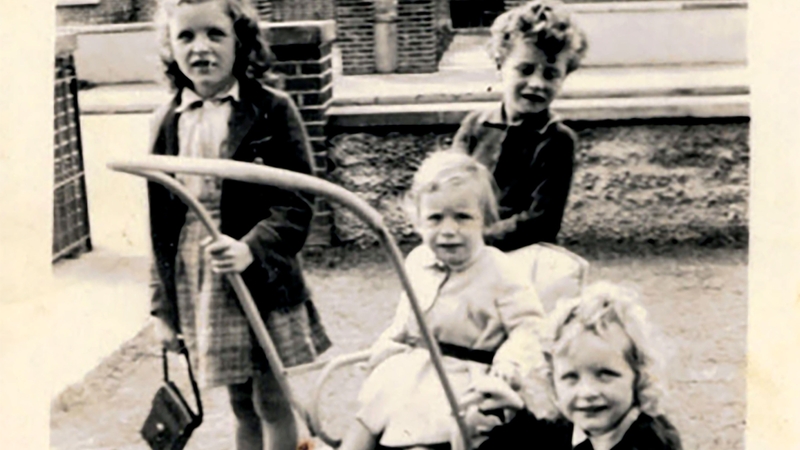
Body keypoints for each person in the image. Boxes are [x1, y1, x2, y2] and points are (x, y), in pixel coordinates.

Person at [147, 1, 331, 449]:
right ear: (170, 48)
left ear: (241, 42)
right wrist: (163, 310)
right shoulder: (165, 121)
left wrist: (251, 247)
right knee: (241, 405)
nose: (201, 48)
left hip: (259, 276)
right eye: (185, 37)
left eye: (215, 34)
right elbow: (158, 227)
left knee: (271, 400)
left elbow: (297, 202)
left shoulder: (271, 109)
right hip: (203, 280)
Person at [338, 152, 546, 450]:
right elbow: (406, 320)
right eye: (435, 218)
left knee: (426, 435)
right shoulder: (417, 262)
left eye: (463, 217)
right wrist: (387, 344)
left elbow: (530, 327)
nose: (449, 230)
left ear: (484, 220)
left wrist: (510, 361)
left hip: (467, 377)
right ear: (418, 221)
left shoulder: (500, 271)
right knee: (367, 417)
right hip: (414, 369)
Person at [462, 282, 683, 450]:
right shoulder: (571, 425)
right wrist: (515, 411)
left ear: (639, 376)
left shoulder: (652, 440)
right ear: (552, 382)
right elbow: (540, 439)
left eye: (605, 374)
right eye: (570, 377)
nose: (586, 392)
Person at [450, 0, 588, 252]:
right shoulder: (475, 125)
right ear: (500, 66)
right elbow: (448, 188)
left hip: (526, 256)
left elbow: (542, 221)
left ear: (564, 76)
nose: (536, 83)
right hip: (466, 251)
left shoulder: (556, 140)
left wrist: (479, 241)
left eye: (550, 74)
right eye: (525, 70)